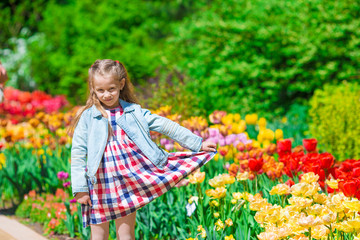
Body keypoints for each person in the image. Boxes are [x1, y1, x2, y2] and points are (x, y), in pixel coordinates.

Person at [68, 59, 217, 240]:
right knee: (98, 236)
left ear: (121, 84)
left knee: (126, 235)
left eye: (111, 89)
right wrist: (80, 189)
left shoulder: (134, 112)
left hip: (127, 183)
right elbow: (77, 154)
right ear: (93, 88)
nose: (106, 94)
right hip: (99, 184)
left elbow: (166, 125)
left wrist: (197, 144)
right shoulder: (88, 117)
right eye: (100, 90)